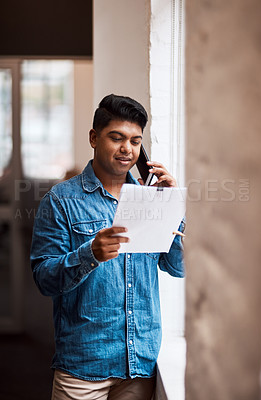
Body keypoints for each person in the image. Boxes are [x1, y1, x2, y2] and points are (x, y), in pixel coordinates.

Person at [30, 94, 185, 400]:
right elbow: (44, 279)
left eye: (135, 141)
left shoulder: (150, 199)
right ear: (94, 138)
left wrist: (173, 209)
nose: (127, 148)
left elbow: (178, 267)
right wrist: (90, 254)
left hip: (139, 366)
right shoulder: (60, 201)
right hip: (83, 368)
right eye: (117, 138)